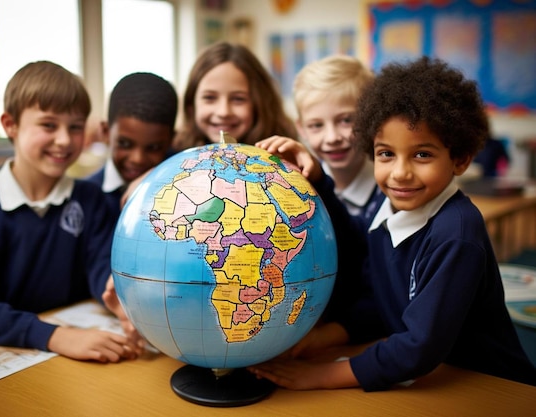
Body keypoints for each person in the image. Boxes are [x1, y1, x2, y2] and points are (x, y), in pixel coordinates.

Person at [249, 56, 536, 390]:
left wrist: (322, 375)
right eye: (386, 154)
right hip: (437, 378)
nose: (400, 172)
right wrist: (322, 339)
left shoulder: (456, 233)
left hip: (492, 386)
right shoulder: (387, 215)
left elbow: (419, 346)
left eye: (422, 155)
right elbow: (377, 302)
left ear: (459, 158)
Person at [0, 61, 143, 363]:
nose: (64, 139)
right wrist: (52, 335)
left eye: (75, 127)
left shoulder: (91, 200)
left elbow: (100, 265)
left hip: (71, 351)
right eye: (49, 125)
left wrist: (115, 295)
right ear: (10, 125)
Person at [293, 55, 383, 223]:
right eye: (316, 125)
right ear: (301, 128)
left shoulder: (391, 192)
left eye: (346, 120)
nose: (332, 137)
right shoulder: (300, 187)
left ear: (371, 118)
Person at [173, 41, 296, 150]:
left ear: (259, 104)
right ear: (191, 104)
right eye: (209, 97)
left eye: (238, 99)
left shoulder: (285, 156)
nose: (223, 112)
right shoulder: (171, 156)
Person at [88, 72, 178, 219]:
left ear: (171, 140)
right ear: (105, 132)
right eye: (125, 144)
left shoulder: (187, 184)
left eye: (153, 148)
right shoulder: (87, 198)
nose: (138, 159)